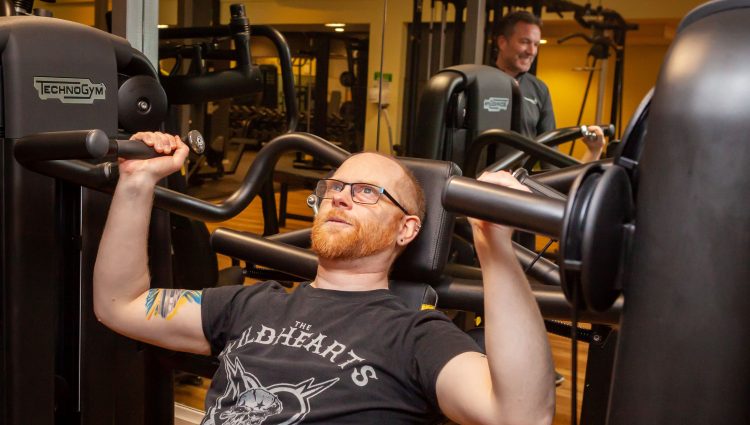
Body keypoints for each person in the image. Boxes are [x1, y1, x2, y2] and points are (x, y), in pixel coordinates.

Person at [93, 132, 555, 425]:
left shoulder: (415, 336)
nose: (340, 198)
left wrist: (493, 246)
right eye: (333, 187)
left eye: (367, 192)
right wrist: (137, 183)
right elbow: (119, 303)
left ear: (407, 229)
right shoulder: (251, 305)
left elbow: (522, 416)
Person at [494, 10, 606, 162]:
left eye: (536, 44)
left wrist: (594, 152)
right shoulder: (479, 81)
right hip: (477, 180)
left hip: (519, 181)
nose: (532, 51)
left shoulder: (539, 89)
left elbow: (549, 152)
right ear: (502, 42)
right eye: (524, 42)